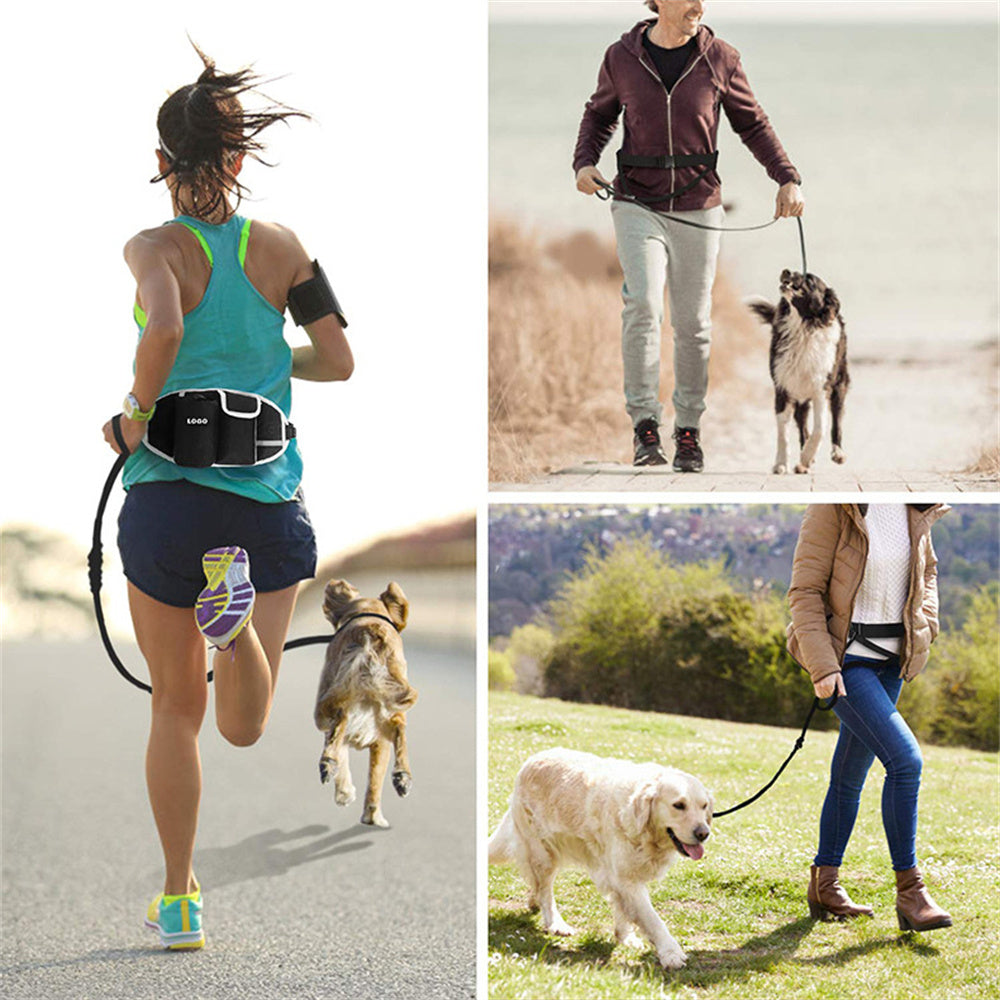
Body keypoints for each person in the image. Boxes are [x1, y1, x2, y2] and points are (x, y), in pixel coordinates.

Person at [101, 48, 353, 950]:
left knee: (177, 709)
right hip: (266, 504)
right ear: (241, 159)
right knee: (246, 725)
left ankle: (179, 899)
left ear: (161, 160)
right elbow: (342, 359)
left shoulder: (152, 247)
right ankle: (236, 624)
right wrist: (272, 361)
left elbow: (164, 325)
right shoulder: (284, 249)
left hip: (170, 498)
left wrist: (136, 412)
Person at [573, 0, 804, 471]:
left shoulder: (721, 57)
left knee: (694, 323)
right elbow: (599, 116)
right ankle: (645, 427)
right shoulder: (622, 56)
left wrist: (786, 177)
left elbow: (752, 124)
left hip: (700, 206)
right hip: (636, 202)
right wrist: (585, 163)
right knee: (643, 305)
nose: (699, 5)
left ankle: (689, 432)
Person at [787, 504, 953, 932]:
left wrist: (925, 624)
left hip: (890, 661)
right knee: (905, 761)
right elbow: (804, 591)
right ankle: (911, 892)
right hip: (846, 661)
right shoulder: (834, 505)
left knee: (848, 776)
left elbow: (927, 571)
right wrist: (822, 665)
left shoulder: (914, 504)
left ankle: (824, 882)